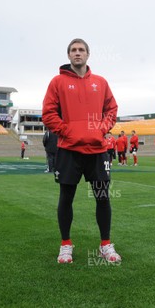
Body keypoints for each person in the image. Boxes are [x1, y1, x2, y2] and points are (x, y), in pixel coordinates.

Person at [42, 38, 121, 264]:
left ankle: (105, 244)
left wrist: (101, 129)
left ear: (88, 55)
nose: (78, 53)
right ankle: (65, 245)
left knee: (102, 197)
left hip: (97, 150)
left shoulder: (101, 82)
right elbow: (48, 114)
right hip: (68, 149)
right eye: (73, 50)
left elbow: (112, 110)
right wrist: (67, 131)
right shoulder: (57, 82)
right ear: (68, 56)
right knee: (66, 198)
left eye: (81, 50)